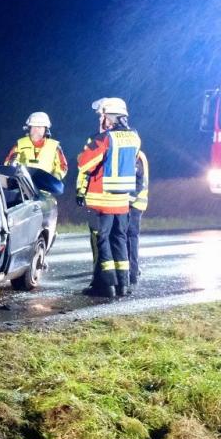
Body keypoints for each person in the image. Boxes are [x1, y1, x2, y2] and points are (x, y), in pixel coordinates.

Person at [75, 97, 144, 298]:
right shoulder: (135, 138)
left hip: (101, 200)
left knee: (101, 242)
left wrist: (86, 152)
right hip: (122, 202)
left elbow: (84, 164)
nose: (101, 120)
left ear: (109, 118)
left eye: (102, 116)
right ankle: (123, 285)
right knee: (119, 240)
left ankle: (106, 286)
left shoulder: (104, 138)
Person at [4, 111, 68, 179]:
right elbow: (7, 163)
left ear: (46, 129)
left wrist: (53, 179)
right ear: (29, 128)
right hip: (23, 185)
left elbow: (63, 167)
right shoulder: (20, 144)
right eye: (33, 127)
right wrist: (12, 165)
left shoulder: (54, 147)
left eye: (39, 127)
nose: (36, 130)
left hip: (45, 187)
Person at [128, 148, 150, 287]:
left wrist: (128, 200)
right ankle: (132, 269)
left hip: (135, 204)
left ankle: (133, 270)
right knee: (130, 237)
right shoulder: (138, 154)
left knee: (131, 237)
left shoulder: (136, 155)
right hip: (135, 202)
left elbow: (139, 182)